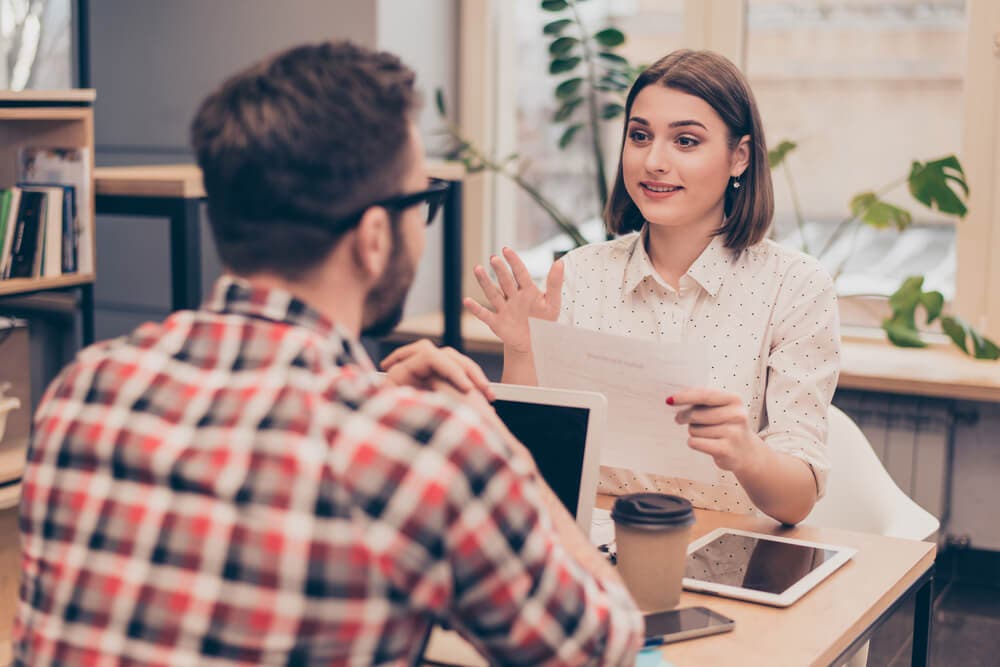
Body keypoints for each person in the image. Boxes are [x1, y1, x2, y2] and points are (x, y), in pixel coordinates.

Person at [15, 41, 643, 666]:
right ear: (374, 238)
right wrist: (503, 450)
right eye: (419, 202)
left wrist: (370, 393)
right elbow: (604, 647)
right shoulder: (427, 454)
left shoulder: (85, 387)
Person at [466, 49, 840, 526]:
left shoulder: (796, 286)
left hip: (727, 548)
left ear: (739, 157)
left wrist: (745, 450)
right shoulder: (579, 274)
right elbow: (527, 471)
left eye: (685, 141)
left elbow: (797, 502)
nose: (654, 161)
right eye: (639, 136)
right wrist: (522, 351)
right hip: (592, 543)